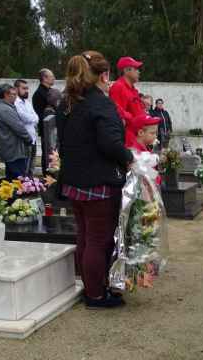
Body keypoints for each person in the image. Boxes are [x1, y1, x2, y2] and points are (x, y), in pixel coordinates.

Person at [57, 51, 134, 309]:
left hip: (74, 181)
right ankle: (96, 294)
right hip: (98, 183)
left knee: (85, 236)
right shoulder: (100, 103)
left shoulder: (67, 102)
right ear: (104, 75)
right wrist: (129, 158)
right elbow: (110, 143)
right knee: (99, 240)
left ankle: (90, 285)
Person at [0, 84, 33, 180]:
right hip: (13, 151)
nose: (16, 97)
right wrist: (29, 139)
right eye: (13, 94)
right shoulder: (5, 109)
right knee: (19, 180)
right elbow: (18, 127)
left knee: (12, 179)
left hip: (11, 150)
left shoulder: (4, 107)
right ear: (6, 95)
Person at [109, 56, 145, 143]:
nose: (138, 72)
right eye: (135, 69)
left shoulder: (132, 89)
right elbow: (117, 114)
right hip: (128, 140)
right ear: (126, 71)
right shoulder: (118, 87)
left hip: (137, 137)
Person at [32, 68, 59, 175]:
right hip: (47, 130)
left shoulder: (49, 91)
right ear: (44, 78)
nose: (54, 78)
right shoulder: (39, 94)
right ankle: (47, 175)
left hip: (53, 129)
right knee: (47, 154)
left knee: (53, 154)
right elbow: (42, 114)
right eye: (51, 76)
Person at [14, 79, 40, 174]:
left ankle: (31, 182)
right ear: (16, 89)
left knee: (32, 166)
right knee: (25, 166)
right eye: (24, 88)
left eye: (27, 88)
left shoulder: (27, 102)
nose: (26, 91)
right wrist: (32, 118)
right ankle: (25, 182)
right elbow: (24, 117)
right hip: (24, 140)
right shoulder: (15, 103)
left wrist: (32, 118)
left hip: (33, 138)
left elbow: (36, 117)